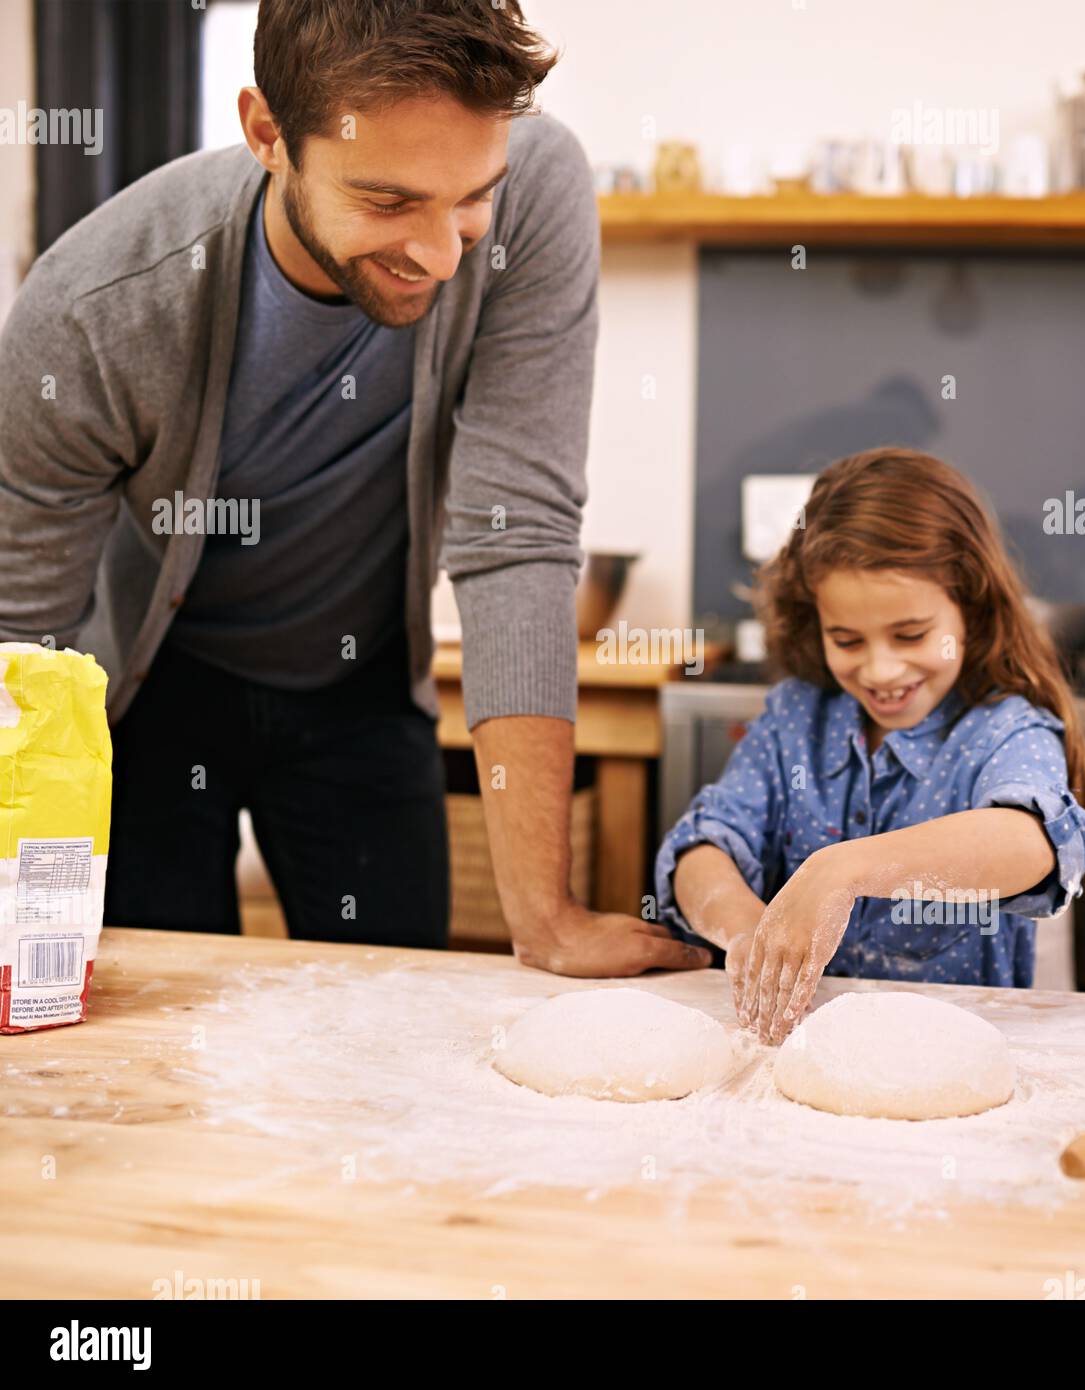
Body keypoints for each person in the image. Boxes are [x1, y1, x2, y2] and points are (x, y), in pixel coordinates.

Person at [0, 0, 708, 979]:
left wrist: (544, 916)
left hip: (362, 681)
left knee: (394, 1025)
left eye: (471, 197)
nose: (444, 253)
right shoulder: (90, 314)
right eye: (387, 202)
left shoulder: (538, 185)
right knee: (156, 1027)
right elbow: (20, 644)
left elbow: (517, 528)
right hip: (151, 702)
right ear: (267, 134)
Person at [654, 447, 1085, 1042]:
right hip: (795, 1064)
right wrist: (750, 938)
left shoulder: (1003, 729)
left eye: (910, 634)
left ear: (969, 608)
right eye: (847, 639)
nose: (881, 669)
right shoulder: (797, 719)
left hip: (949, 1065)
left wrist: (843, 870)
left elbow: (1033, 841)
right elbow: (699, 849)